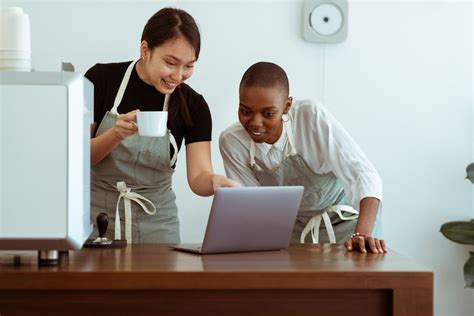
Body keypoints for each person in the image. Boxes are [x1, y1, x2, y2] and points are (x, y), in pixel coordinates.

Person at [85, 7, 239, 244]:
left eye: (189, 66)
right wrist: (115, 134)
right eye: (171, 62)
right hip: (98, 221)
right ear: (145, 50)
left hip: (157, 225)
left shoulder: (194, 105)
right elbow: (82, 158)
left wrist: (216, 183)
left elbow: (199, 176)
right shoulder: (100, 80)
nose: (178, 76)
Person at [219, 62, 386, 253]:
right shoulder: (232, 142)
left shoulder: (310, 116)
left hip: (349, 228)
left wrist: (362, 235)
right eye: (245, 111)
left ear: (287, 106)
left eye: (268, 113)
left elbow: (363, 174)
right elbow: (255, 207)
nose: (256, 123)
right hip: (295, 233)